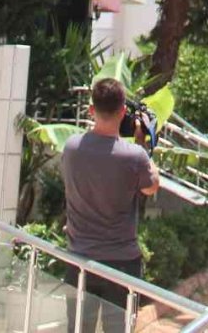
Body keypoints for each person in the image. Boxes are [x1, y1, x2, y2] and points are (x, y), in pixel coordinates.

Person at [61, 77, 161, 332]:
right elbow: (151, 186)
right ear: (123, 111)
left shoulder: (71, 148)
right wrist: (144, 143)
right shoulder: (134, 156)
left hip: (79, 260)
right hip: (122, 265)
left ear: (91, 110)